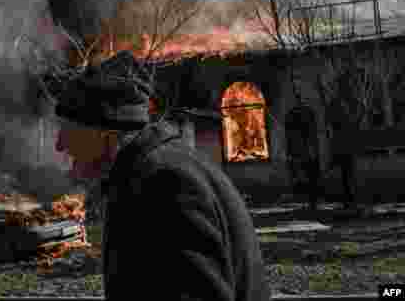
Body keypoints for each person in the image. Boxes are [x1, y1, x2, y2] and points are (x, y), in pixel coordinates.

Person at [54, 51, 270, 301]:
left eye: (68, 130)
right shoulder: (156, 170)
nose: (60, 144)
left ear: (104, 134)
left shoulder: (165, 184)